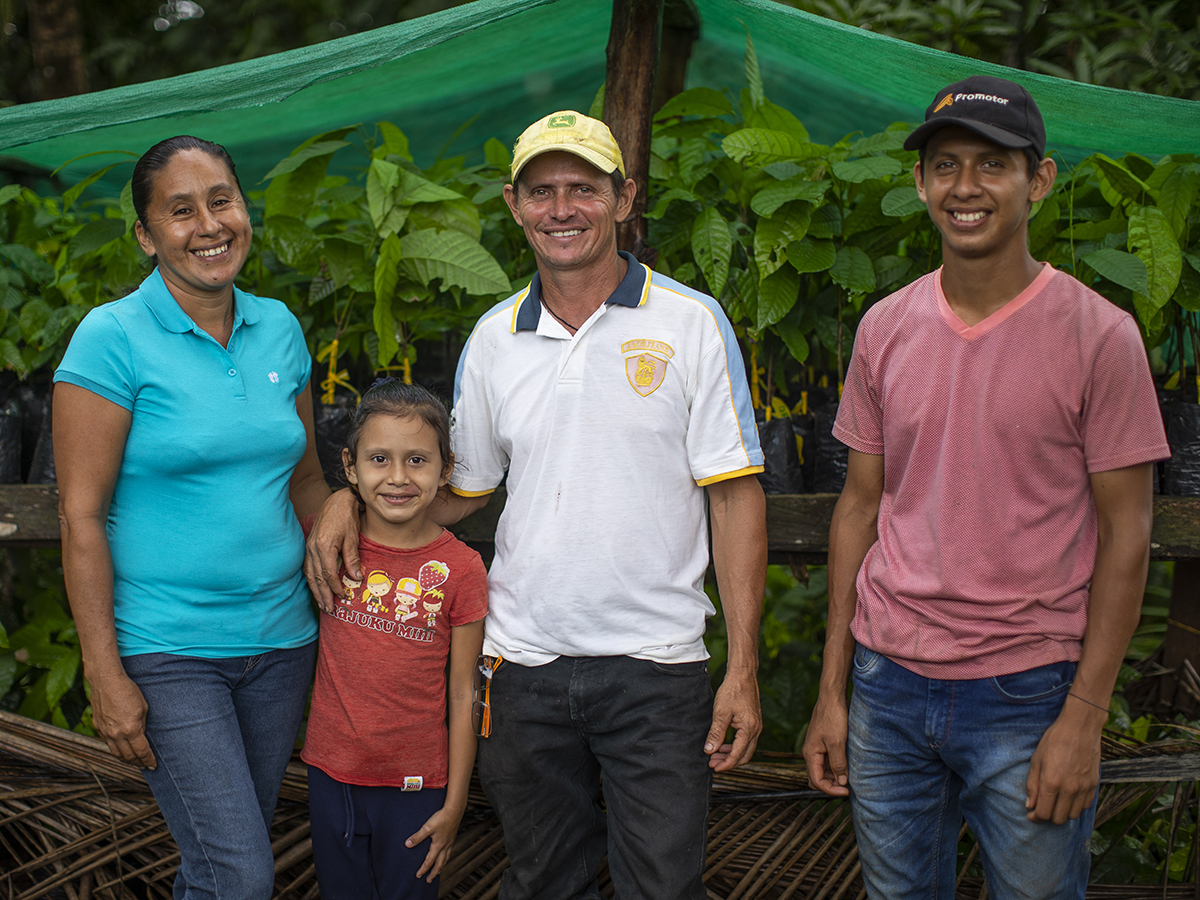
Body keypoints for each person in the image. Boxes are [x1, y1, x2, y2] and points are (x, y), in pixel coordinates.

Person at [306, 110, 768, 900]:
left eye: (583, 188)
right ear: (515, 205)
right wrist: (348, 503)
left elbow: (735, 498)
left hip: (657, 668)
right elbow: (458, 494)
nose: (562, 209)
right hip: (522, 669)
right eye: (542, 191)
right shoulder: (494, 339)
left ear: (624, 198)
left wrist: (744, 669)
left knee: (663, 886)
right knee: (544, 883)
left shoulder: (690, 323)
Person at [801, 75, 1172, 898]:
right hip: (887, 685)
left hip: (1028, 690)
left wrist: (1084, 716)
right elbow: (859, 507)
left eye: (992, 164)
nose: (965, 187)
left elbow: (1129, 537)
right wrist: (834, 692)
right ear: (921, 182)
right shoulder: (886, 327)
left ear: (1037, 181)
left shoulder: (1100, 337)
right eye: (944, 165)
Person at [54, 136, 331, 900]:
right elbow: (81, 519)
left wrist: (343, 520)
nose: (209, 225)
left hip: (282, 644)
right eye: (180, 211)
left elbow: (306, 477)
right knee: (238, 874)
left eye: (221, 201)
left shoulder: (278, 327)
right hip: (170, 649)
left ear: (244, 210)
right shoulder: (110, 339)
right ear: (147, 236)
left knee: (216, 867)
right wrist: (104, 671)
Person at [300, 379, 487, 899]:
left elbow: (464, 692)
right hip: (331, 774)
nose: (398, 477)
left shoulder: (462, 569)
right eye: (379, 459)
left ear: (446, 470)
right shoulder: (328, 541)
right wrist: (340, 502)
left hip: (418, 785)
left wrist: (454, 804)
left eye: (418, 461)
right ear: (351, 466)